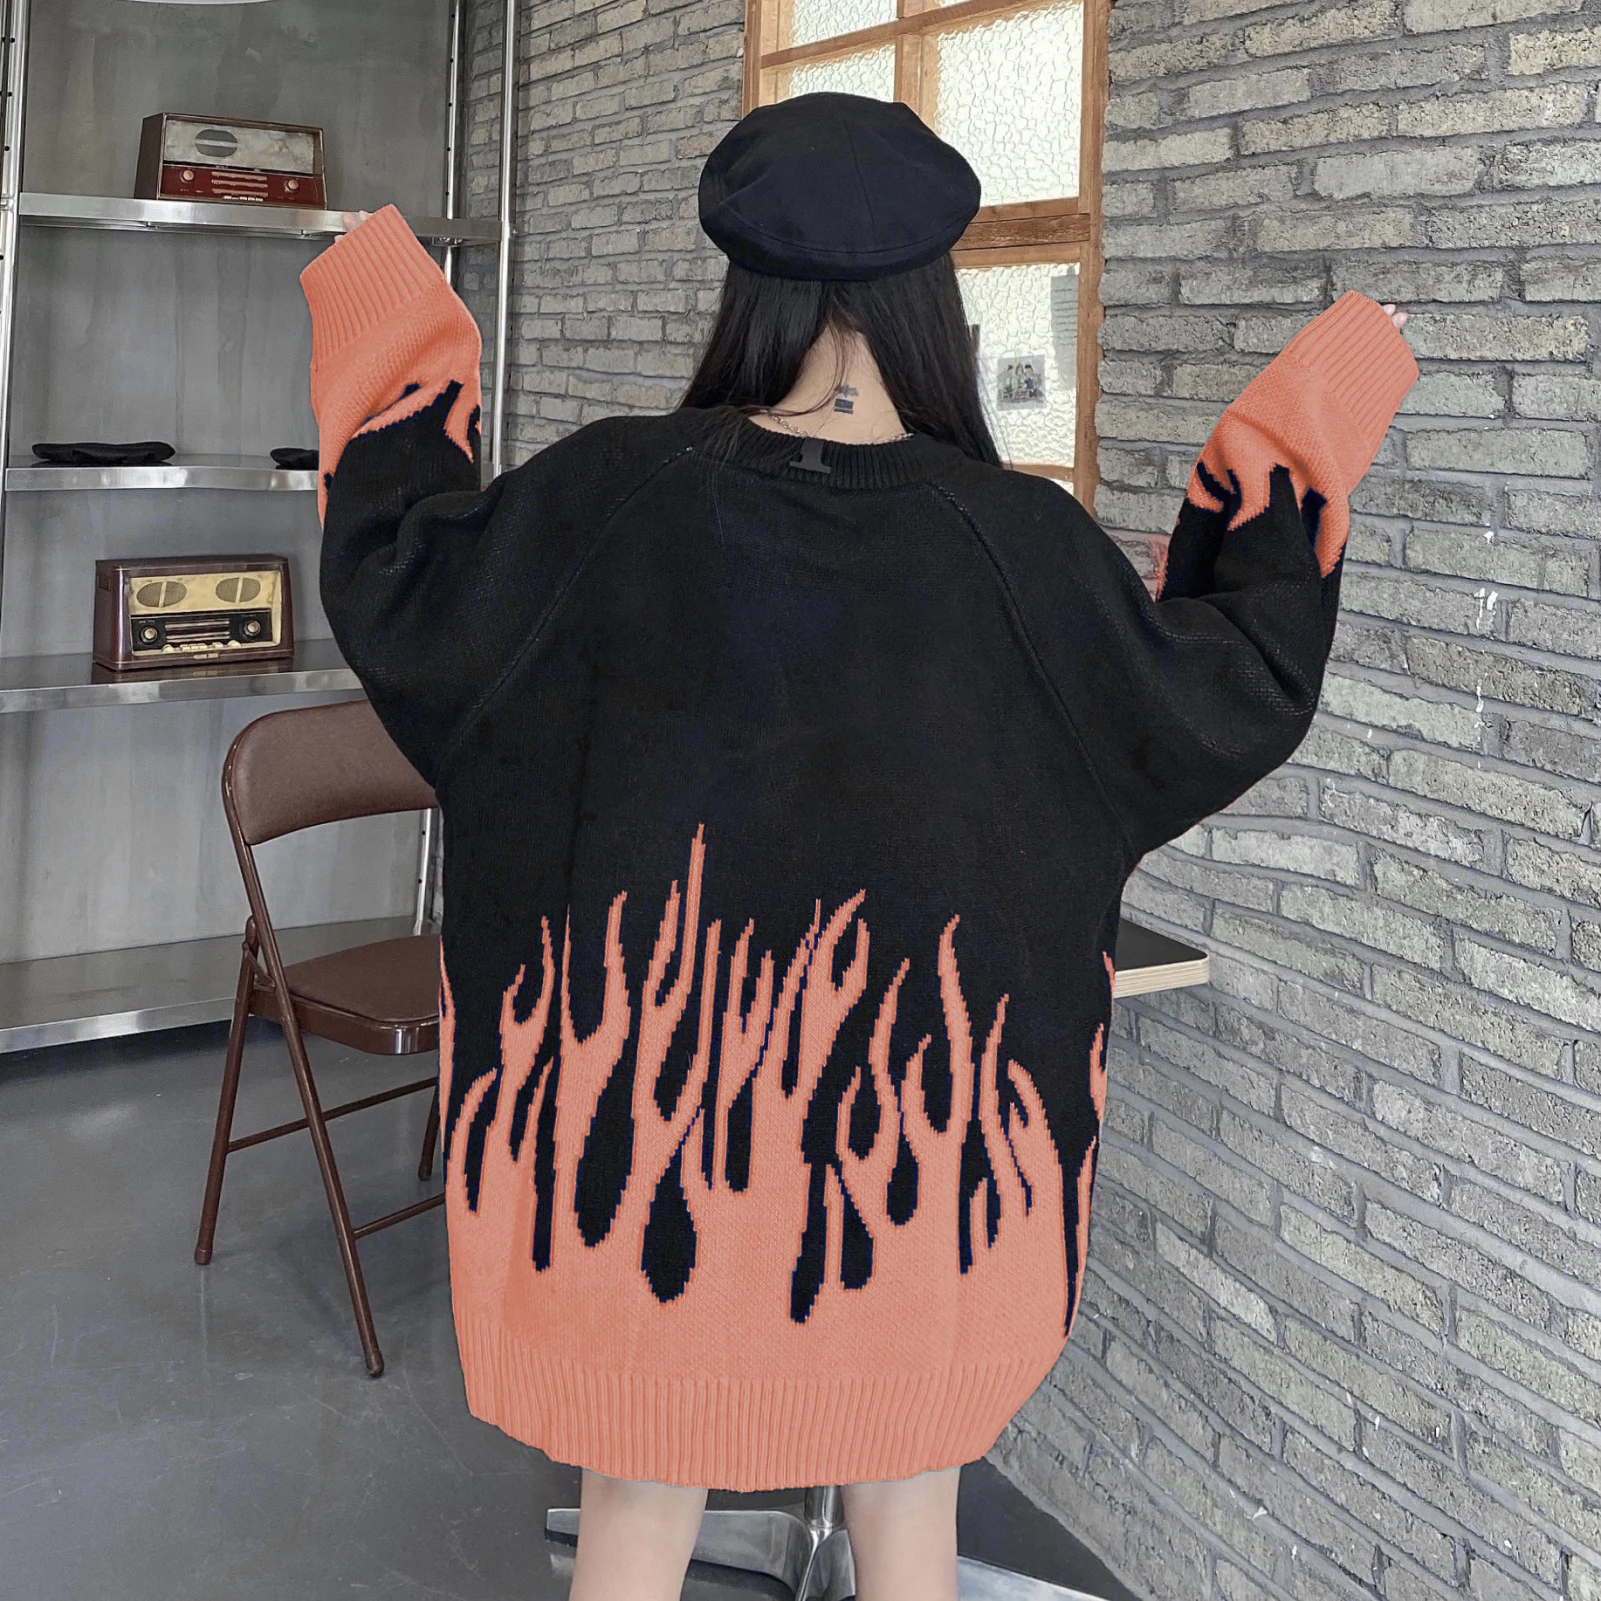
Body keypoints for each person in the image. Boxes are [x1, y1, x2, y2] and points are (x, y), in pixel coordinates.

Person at [303, 93, 1415, 1601]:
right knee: (912, 1513)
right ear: (935, 294)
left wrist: (389, 302)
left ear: (741, 282)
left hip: (633, 1191)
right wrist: (1316, 410)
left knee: (634, 1507)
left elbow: (400, 573)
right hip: (931, 1189)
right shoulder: (1025, 549)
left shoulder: (598, 501)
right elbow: (1224, 683)